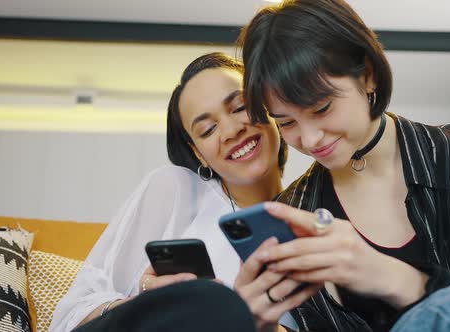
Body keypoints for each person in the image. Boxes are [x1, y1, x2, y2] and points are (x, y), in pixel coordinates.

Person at [237, 0, 450, 331]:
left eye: (322, 109)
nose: (310, 139)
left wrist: (400, 280)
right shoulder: (292, 212)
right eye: (286, 123)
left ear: (368, 76)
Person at [50, 52, 317, 332]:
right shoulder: (175, 188)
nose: (230, 131)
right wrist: (150, 296)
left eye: (239, 107)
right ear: (197, 153)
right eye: (208, 129)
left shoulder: (312, 216)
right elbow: (70, 316)